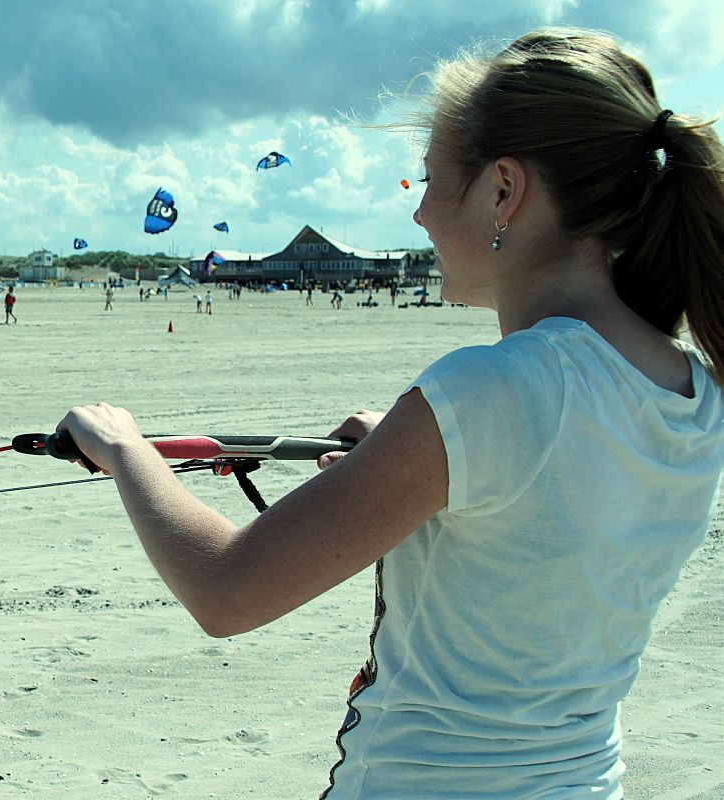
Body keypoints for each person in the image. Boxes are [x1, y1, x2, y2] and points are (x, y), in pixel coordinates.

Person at [55, 28, 724, 798]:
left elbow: (226, 591)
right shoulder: (692, 389)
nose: (421, 218)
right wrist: (409, 457)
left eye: (433, 182)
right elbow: (541, 519)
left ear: (503, 191)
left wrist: (123, 446)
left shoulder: (491, 389)